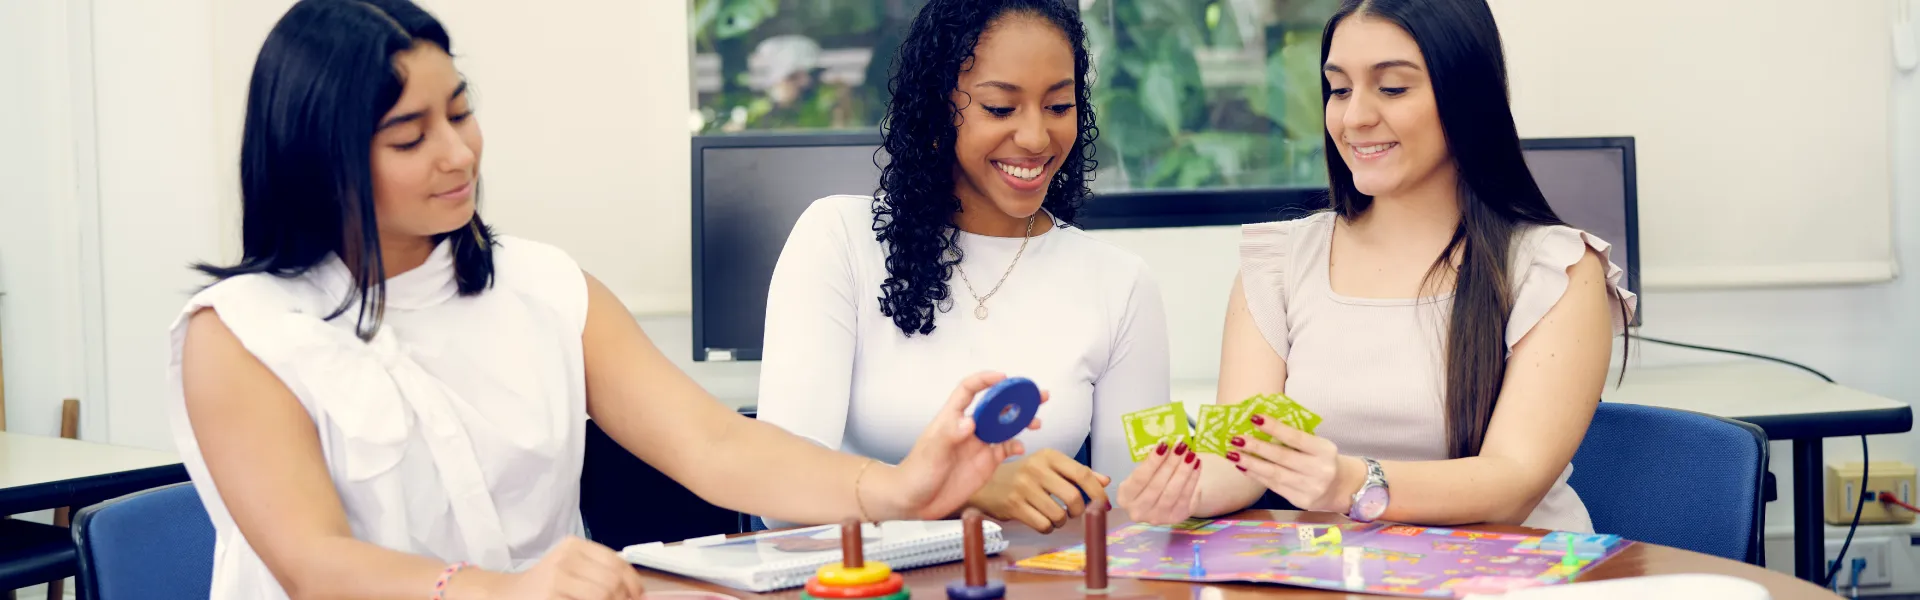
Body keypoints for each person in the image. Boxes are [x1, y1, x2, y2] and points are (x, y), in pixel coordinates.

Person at [167, 2, 1040, 599]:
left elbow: (714, 445)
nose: (458, 154)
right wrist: (509, 592)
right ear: (319, 158)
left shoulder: (542, 286)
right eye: (410, 135)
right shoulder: (242, 335)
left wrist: (901, 487)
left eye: (461, 114)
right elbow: (314, 563)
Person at [1115, 0, 1635, 534]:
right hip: (1339, 577)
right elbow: (1246, 460)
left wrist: (1350, 483)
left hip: (1515, 577)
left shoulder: (1556, 269)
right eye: (1339, 89)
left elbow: (1512, 483)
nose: (1355, 116)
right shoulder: (1279, 263)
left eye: (1391, 88)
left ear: (1466, 97)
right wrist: (1187, 488)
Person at [754, 0, 1169, 535]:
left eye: (1059, 106)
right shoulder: (839, 238)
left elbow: (1130, 515)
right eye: (1000, 109)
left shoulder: (1120, 282)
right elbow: (779, 495)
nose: (1037, 138)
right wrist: (965, 492)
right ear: (935, 109)